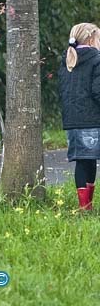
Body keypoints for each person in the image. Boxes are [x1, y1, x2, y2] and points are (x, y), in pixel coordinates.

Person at [57, 23, 100, 211]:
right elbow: (97, 91)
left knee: (84, 161)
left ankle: (85, 206)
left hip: (72, 120)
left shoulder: (66, 60)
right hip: (91, 118)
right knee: (89, 162)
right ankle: (86, 207)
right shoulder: (96, 59)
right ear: (91, 39)